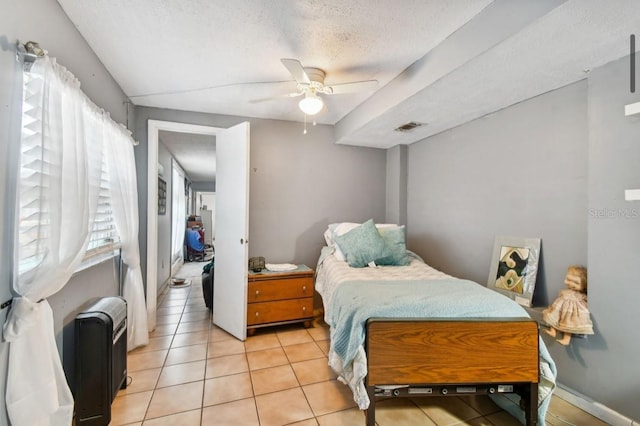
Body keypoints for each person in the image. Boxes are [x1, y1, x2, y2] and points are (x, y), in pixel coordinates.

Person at [542, 265, 594, 345]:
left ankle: (566, 339)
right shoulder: (566, 291)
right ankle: (553, 331)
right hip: (560, 309)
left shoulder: (580, 295)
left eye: (576, 282)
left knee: (568, 324)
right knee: (553, 317)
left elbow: (584, 301)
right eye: (568, 280)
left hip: (570, 312)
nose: (571, 284)